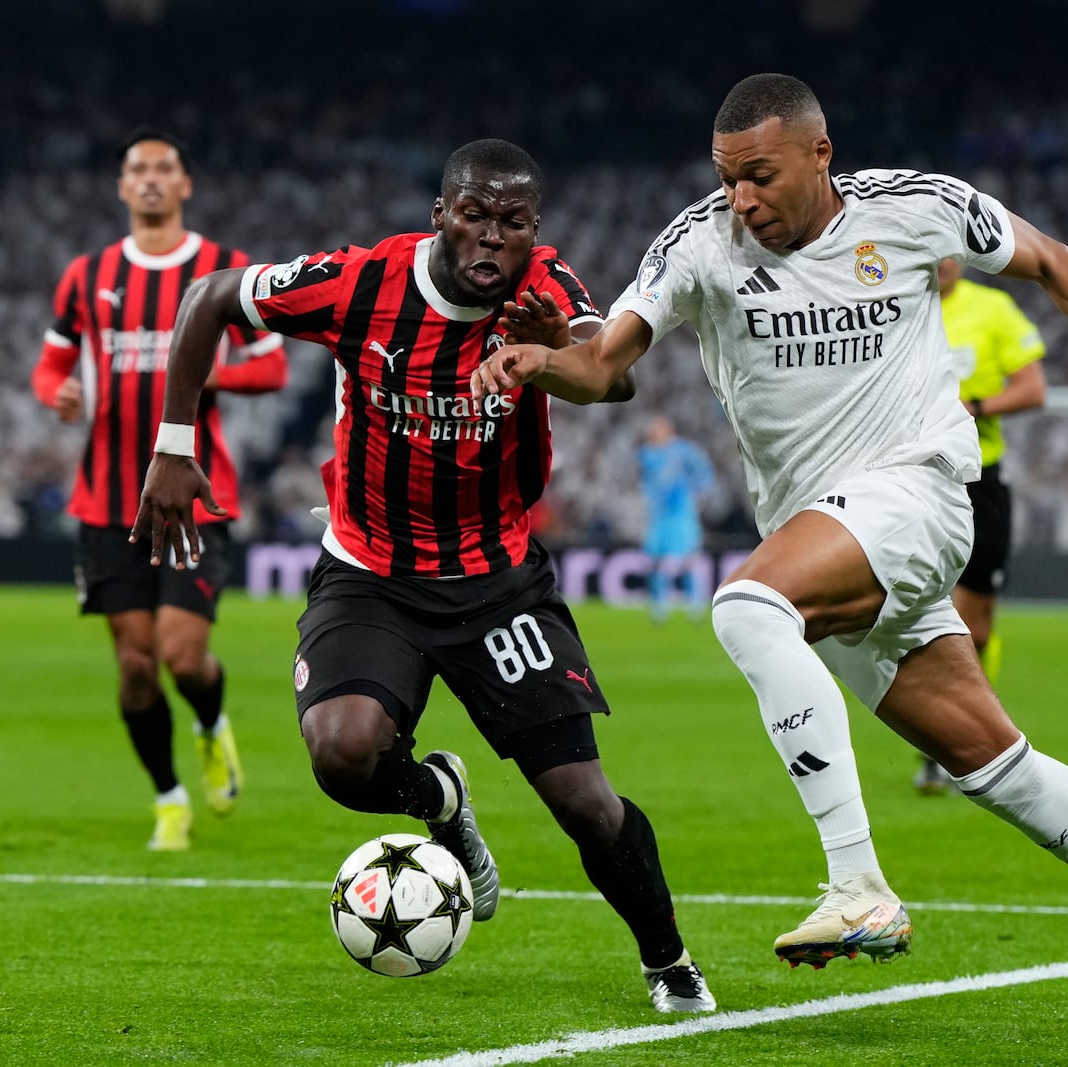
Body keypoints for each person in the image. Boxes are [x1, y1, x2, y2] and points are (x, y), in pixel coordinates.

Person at [472, 75, 1068, 1008]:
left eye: (761, 177)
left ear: (821, 155)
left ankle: (857, 884)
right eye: (729, 178)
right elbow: (604, 361)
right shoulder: (700, 242)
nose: (743, 199)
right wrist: (542, 361)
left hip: (919, 495)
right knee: (997, 771)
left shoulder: (912, 209)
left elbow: (1053, 260)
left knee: (746, 606)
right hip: (825, 535)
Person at [130, 139, 715, 1013]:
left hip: (497, 580)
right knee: (343, 752)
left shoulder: (546, 287)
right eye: (473, 216)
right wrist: (173, 447)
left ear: (533, 231)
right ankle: (439, 795)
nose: (490, 239)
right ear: (441, 215)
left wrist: (551, 351)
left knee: (585, 803)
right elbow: (209, 296)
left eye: (511, 224)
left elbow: (611, 378)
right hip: (371, 572)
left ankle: (668, 962)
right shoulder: (359, 283)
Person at [32, 127, 288, 851]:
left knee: (181, 656)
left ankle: (210, 723)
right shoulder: (86, 275)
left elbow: (270, 368)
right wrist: (58, 394)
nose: (148, 179)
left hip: (193, 494)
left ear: (185, 184)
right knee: (136, 664)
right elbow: (49, 367)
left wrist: (216, 375)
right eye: (136, 169)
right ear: (121, 187)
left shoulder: (225, 268)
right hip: (106, 502)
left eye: (162, 168)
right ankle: (169, 798)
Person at [913, 257, 1047, 795]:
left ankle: (965, 739)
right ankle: (937, 745)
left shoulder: (993, 310)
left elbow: (1034, 389)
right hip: (914, 478)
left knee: (978, 628)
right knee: (917, 615)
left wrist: (976, 405)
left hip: (980, 479)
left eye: (951, 253)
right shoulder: (896, 303)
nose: (941, 263)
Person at [637, 415, 715, 622]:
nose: (654, 433)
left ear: (669, 430)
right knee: (654, 560)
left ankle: (695, 603)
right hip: (659, 516)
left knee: (687, 559)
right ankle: (659, 605)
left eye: (658, 428)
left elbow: (704, 472)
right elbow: (646, 482)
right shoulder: (647, 454)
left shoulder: (683, 450)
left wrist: (698, 495)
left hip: (681, 514)